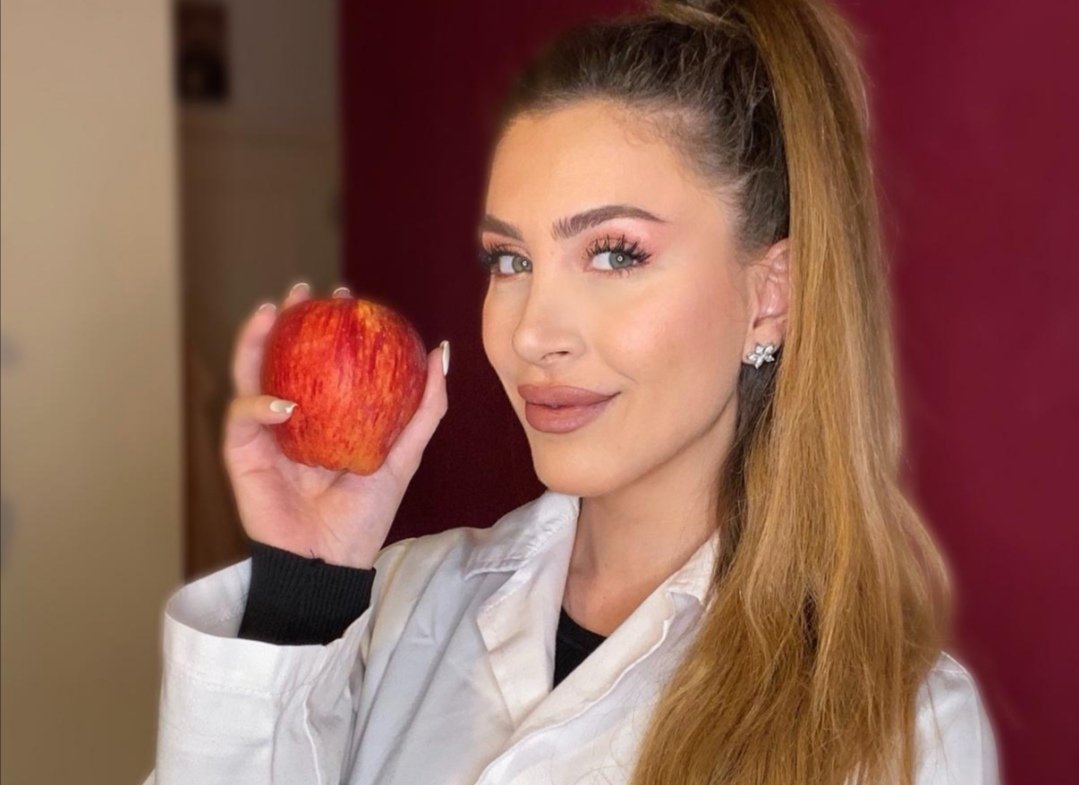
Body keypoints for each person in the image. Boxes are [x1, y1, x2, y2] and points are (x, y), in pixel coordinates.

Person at [141, 1, 1001, 783]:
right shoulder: (396, 600)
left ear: (769, 295)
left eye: (614, 253)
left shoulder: (900, 729)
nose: (530, 333)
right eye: (509, 260)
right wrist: (300, 591)